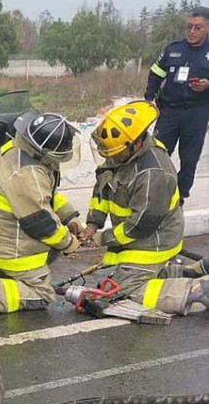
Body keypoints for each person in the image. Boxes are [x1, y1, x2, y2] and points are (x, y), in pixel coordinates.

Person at [78, 100, 209, 315]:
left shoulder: (152, 174)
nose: (110, 158)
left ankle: (199, 290)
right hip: (135, 239)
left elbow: (140, 226)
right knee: (121, 281)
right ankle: (187, 272)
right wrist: (92, 225)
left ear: (136, 144)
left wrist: (101, 239)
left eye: (115, 153)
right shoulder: (120, 154)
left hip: (152, 242)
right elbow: (102, 191)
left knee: (126, 291)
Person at [0, 112, 83, 316]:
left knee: (49, 250)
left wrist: (69, 216)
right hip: (9, 247)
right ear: (43, 150)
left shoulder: (20, 151)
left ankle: (6, 279)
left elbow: (45, 195)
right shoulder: (26, 173)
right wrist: (69, 243)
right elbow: (41, 223)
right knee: (43, 295)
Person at [144, 6, 209, 204]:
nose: (191, 31)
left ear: (207, 27)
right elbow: (156, 73)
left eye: (197, 27)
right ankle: (153, 195)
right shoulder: (173, 49)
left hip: (197, 113)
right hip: (170, 110)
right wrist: (148, 99)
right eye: (188, 26)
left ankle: (179, 198)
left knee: (189, 160)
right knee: (156, 154)